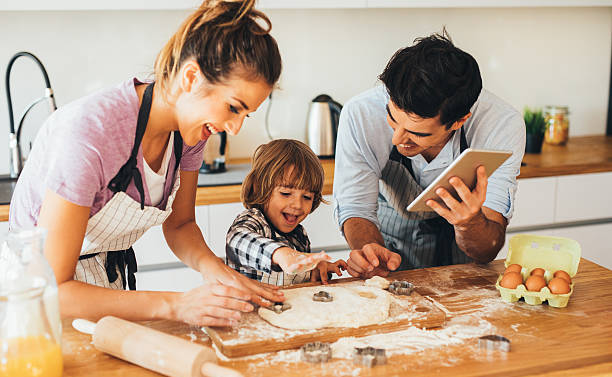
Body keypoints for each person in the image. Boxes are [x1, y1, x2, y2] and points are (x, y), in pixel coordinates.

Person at [8, 0, 285, 327]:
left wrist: (222, 274)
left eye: (246, 114)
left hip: (106, 283)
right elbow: (56, 286)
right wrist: (176, 305)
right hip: (39, 299)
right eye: (233, 108)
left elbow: (180, 225)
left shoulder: (190, 133)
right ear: (192, 77)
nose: (235, 127)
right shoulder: (89, 134)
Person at [333, 31, 526, 279]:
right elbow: (356, 207)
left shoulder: (500, 124)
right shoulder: (360, 113)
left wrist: (470, 223)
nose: (397, 139)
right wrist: (370, 253)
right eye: (392, 120)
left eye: (417, 133)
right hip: (391, 234)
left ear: (459, 121)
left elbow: (488, 244)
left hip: (466, 256)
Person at [226, 139, 347, 286]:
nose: (297, 205)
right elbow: (236, 239)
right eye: (285, 193)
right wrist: (279, 253)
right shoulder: (254, 220)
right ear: (259, 188)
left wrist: (314, 269)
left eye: (307, 197)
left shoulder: (299, 236)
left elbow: (295, 277)